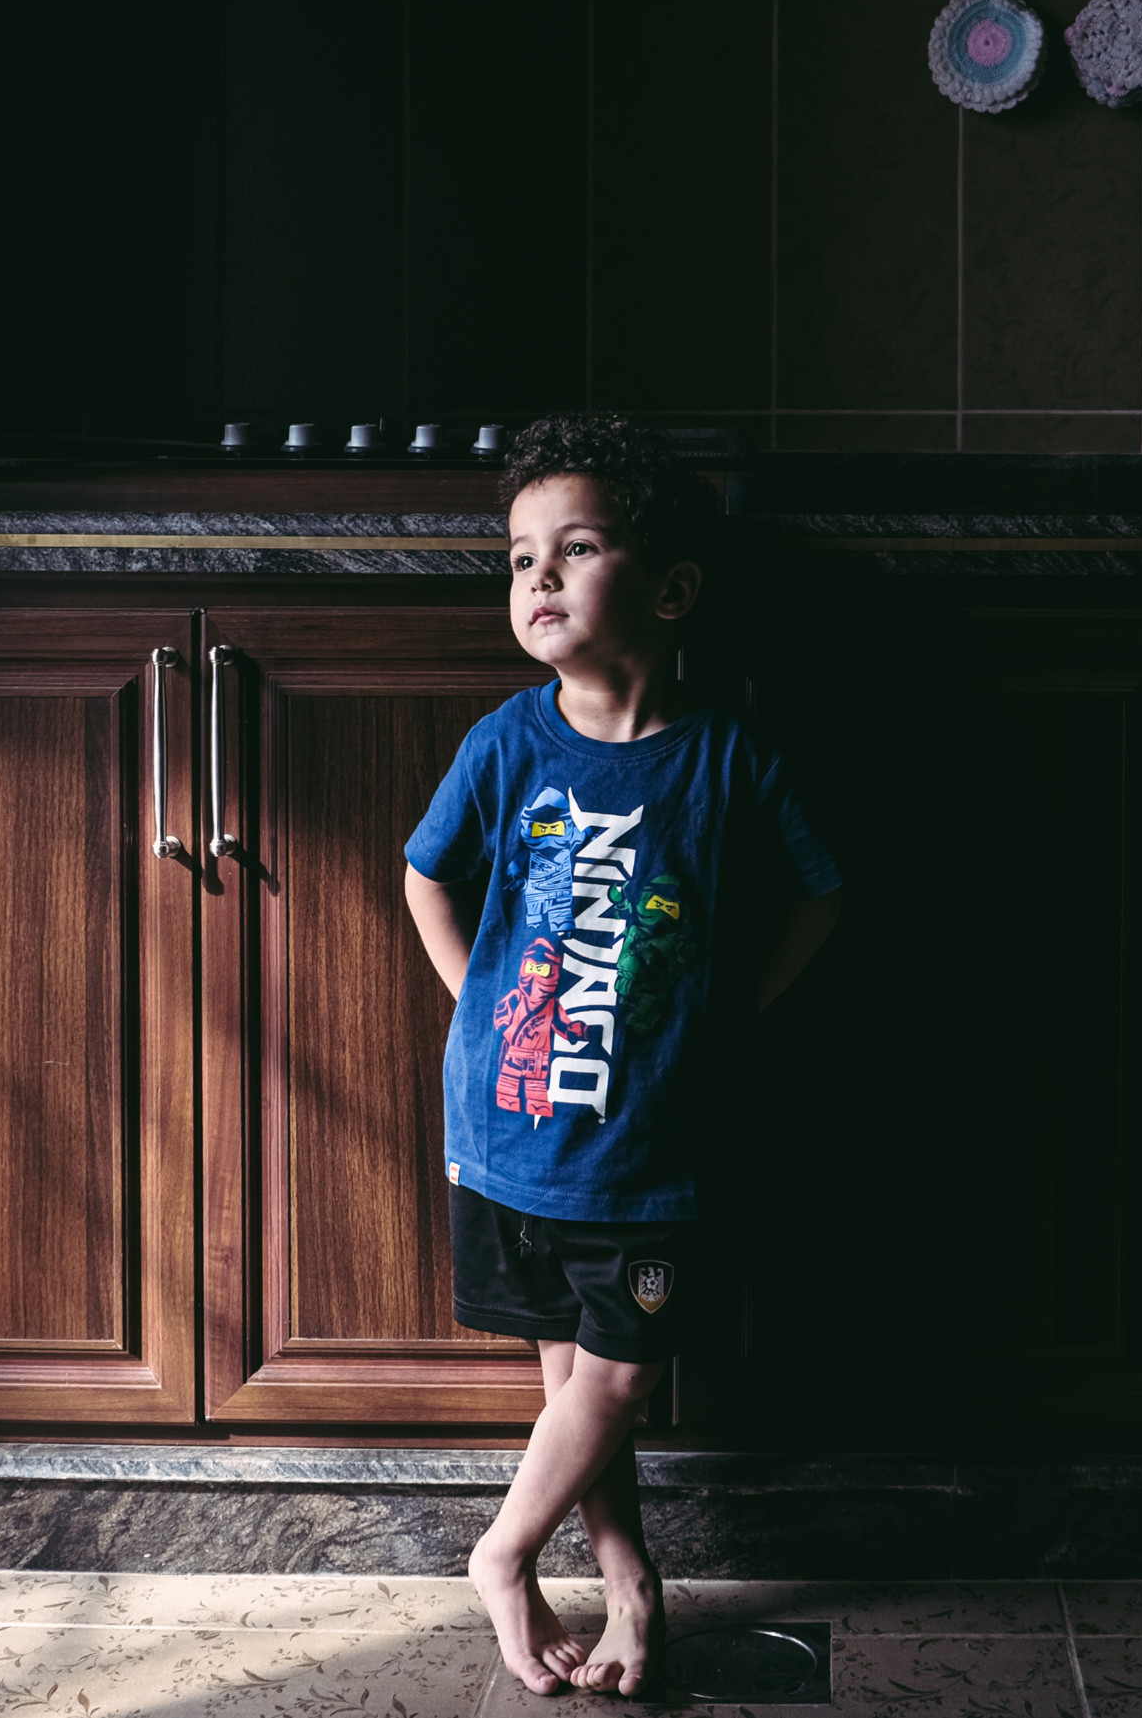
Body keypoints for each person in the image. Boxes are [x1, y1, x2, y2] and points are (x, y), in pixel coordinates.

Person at [404, 415, 843, 1697]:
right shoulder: (505, 744)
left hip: (653, 1153)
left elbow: (823, 894)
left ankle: (504, 1550)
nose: (535, 578)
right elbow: (427, 877)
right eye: (518, 557)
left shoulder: (726, 756)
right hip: (515, 1134)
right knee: (574, 1384)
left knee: (620, 1373)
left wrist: (738, 1007)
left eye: (574, 548)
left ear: (669, 588)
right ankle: (632, 1589)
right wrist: (475, 1008)